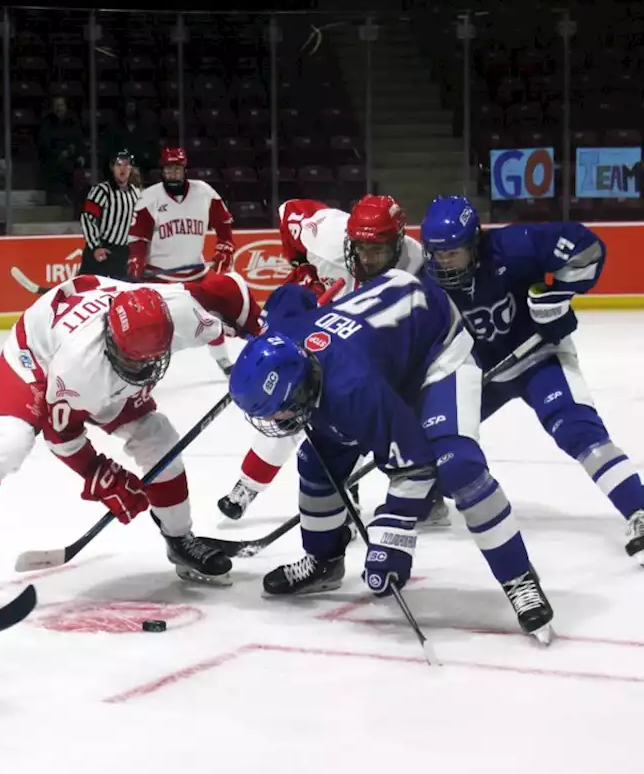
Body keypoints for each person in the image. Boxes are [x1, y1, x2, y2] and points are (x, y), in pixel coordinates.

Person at [228, 264, 555, 643]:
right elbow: (291, 298)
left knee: (458, 466)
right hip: (378, 342)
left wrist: (392, 537)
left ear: (299, 389)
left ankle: (519, 578)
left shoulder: (353, 389)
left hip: (437, 343)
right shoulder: (286, 342)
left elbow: (414, 468)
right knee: (318, 462)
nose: (272, 420)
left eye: (275, 410)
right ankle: (324, 562)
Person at [0, 270, 264, 591]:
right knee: (6, 444)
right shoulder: (81, 368)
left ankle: (179, 539)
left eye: (153, 361)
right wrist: (99, 474)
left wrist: (270, 338)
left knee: (159, 438)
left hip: (89, 350)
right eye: (136, 363)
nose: (145, 373)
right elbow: (61, 435)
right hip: (35, 357)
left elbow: (234, 294)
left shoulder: (176, 311)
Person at [421, 195, 644, 559]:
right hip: (478, 374)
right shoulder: (425, 282)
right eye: (437, 253)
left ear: (475, 243)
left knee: (577, 429)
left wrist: (560, 294)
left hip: (536, 356)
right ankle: (429, 500)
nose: (443, 262)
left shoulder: (515, 245)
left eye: (453, 253)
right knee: (434, 438)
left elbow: (587, 247)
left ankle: (639, 507)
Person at [216, 195, 449, 530]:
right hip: (330, 336)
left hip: (386, 351)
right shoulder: (327, 237)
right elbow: (290, 211)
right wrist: (302, 266)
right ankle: (248, 484)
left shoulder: (421, 269)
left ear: (397, 242)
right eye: (360, 247)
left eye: (379, 249)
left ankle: (422, 485)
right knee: (289, 401)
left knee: (380, 416)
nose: (367, 258)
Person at [127, 146, 237, 374]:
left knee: (208, 320)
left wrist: (225, 245)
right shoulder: (150, 197)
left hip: (196, 274)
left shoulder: (204, 192)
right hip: (160, 276)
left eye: (177, 169)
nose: (173, 174)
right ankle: (142, 366)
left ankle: (224, 361)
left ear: (184, 170)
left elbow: (223, 223)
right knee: (151, 325)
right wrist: (136, 258)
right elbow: (138, 235)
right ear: (162, 171)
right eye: (168, 170)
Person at [78, 150, 140, 281]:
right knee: (88, 292)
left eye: (126, 164)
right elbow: (87, 219)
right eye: (119, 165)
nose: (122, 169)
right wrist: (95, 247)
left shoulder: (136, 193)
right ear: (112, 167)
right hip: (101, 250)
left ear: (131, 167)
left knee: (118, 295)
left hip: (121, 253)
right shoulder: (101, 191)